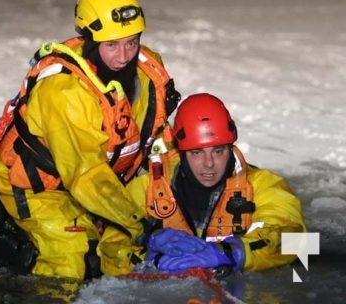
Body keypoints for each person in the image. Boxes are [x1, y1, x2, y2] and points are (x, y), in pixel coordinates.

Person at [0, 0, 181, 280]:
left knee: (113, 256)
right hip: (42, 186)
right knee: (70, 263)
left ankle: (3, 220)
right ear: (90, 40)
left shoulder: (149, 71)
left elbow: (159, 136)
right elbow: (87, 176)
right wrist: (141, 225)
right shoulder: (65, 92)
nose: (124, 56)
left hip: (110, 177)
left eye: (132, 42)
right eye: (111, 45)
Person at [99, 93, 306, 276]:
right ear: (181, 151)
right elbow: (109, 248)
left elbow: (297, 241)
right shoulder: (147, 187)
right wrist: (149, 258)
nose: (209, 164)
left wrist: (234, 252)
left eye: (218, 151)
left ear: (230, 147)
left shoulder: (265, 185)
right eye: (197, 153)